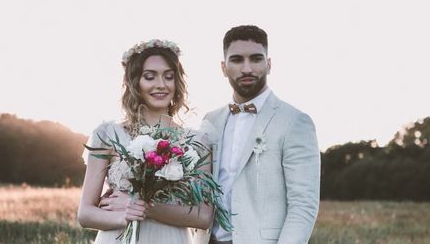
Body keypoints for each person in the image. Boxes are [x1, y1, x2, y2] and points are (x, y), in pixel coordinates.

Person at [77, 39, 213, 243]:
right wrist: (124, 215)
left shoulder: (196, 142)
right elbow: (85, 214)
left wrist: (144, 207)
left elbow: (204, 217)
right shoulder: (108, 135)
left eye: (169, 76)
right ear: (135, 82)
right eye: (149, 77)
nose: (161, 84)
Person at [198, 25, 320, 244]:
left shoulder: (294, 122)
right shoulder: (210, 121)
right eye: (236, 60)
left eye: (256, 59)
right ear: (224, 67)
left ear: (269, 64)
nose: (247, 69)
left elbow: (303, 205)